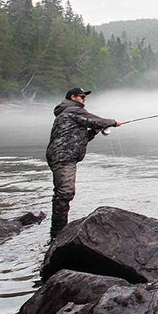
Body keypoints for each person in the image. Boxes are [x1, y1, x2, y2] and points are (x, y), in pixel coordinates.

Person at [46, 87, 122, 238]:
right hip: (63, 157)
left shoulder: (68, 113)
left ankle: (57, 232)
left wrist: (94, 131)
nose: (84, 99)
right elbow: (94, 120)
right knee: (65, 193)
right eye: (82, 96)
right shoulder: (71, 110)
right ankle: (57, 234)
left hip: (63, 155)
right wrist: (113, 122)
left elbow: (81, 138)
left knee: (63, 193)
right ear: (73, 97)